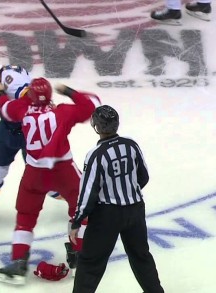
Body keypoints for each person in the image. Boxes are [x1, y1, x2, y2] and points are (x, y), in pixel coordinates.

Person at [0, 78, 101, 285]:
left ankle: (18, 265)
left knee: (25, 217)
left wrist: (0, 93)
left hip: (35, 172)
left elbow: (5, 110)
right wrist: (69, 91)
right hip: (63, 170)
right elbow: (91, 107)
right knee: (82, 209)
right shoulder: (62, 112)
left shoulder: (22, 110)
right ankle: (80, 256)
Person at [69, 105, 164, 293]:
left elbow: (88, 192)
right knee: (141, 256)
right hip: (135, 210)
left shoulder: (96, 155)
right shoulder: (131, 145)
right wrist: (128, 192)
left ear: (96, 126)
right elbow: (143, 177)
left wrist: (77, 221)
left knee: (90, 262)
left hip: (107, 216)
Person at [0, 51, 61, 222]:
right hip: (8, 129)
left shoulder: (11, 81)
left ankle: (83, 198)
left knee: (48, 182)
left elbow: (26, 106)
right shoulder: (6, 74)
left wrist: (1, 96)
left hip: (31, 133)